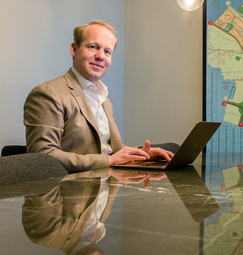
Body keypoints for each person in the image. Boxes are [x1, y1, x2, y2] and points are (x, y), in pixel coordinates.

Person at [24, 20, 173, 173]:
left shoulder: (104, 100)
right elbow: (42, 157)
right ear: (74, 49)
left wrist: (142, 154)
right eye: (93, 47)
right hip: (67, 192)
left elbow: (109, 149)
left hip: (105, 188)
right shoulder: (48, 94)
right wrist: (108, 161)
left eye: (107, 51)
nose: (100, 56)